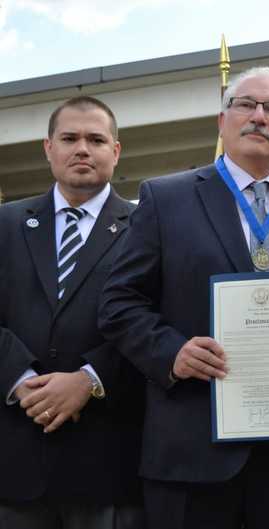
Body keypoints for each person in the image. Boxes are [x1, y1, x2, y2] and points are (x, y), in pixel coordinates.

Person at [99, 66, 269, 529]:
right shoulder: (165, 198)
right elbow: (118, 303)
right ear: (222, 121)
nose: (258, 116)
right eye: (245, 104)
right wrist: (172, 352)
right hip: (193, 452)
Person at [0, 96, 144, 528]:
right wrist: (23, 382)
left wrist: (89, 380)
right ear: (48, 148)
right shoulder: (5, 225)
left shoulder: (148, 227)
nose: (83, 148)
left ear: (115, 152)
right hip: (17, 466)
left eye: (96, 139)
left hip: (109, 468)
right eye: (70, 138)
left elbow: (157, 321)